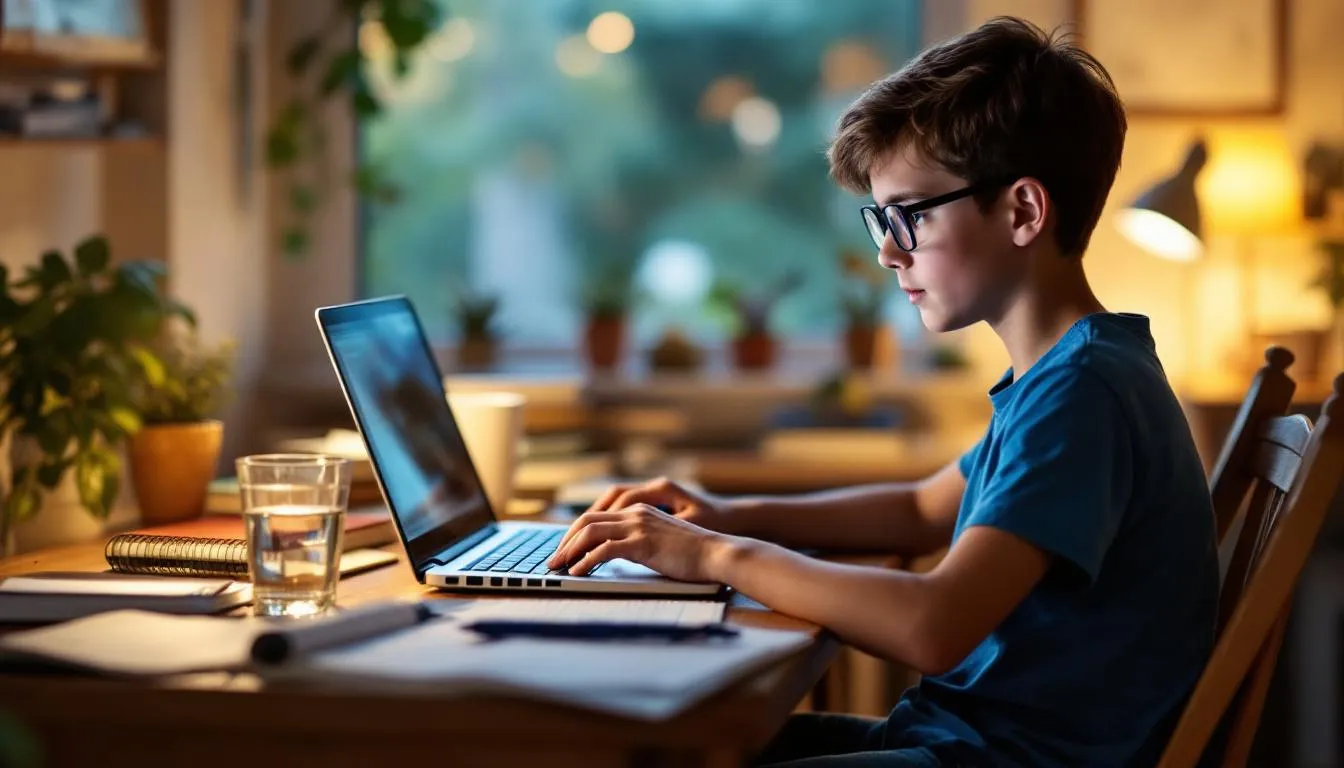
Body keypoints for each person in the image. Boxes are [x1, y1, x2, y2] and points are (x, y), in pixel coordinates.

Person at [548, 16, 1219, 767]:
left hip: (1004, 760)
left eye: (910, 216)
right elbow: (920, 509)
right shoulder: (1069, 374)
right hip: (968, 743)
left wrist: (715, 555)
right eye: (881, 220)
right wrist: (726, 514)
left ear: (1023, 212)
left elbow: (932, 625)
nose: (888, 252)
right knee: (662, 745)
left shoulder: (1083, 393)